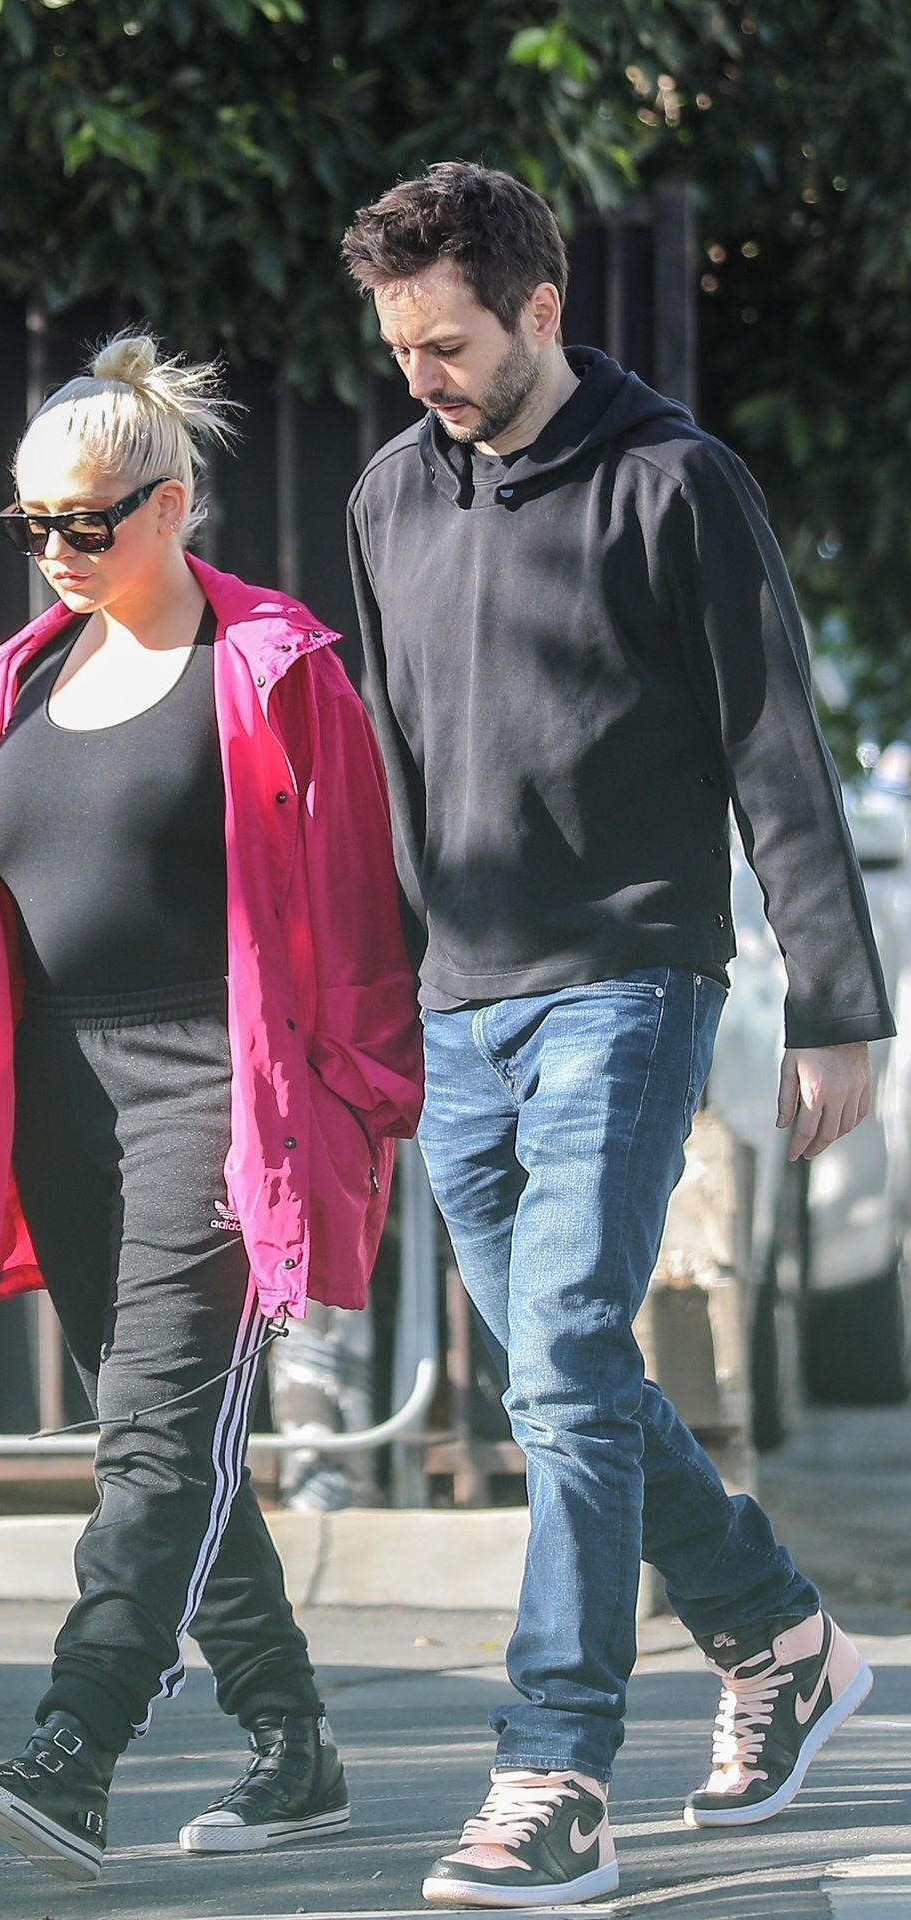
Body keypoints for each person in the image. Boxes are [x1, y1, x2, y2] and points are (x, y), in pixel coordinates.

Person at [0, 332, 422, 1885]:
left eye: (88, 521)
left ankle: (73, 1752)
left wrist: (361, 1110)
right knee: (166, 1438)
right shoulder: (1, 692)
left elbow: (360, 915)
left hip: (222, 1091)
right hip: (52, 1108)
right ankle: (294, 1739)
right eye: (35, 526)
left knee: (152, 1442)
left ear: (173, 502)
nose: (60, 552)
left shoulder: (274, 672)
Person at [341, 163, 890, 1909]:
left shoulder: (675, 482)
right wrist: (378, 1002)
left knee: (569, 1354)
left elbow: (776, 747)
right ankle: (778, 1637)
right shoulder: (388, 496)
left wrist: (837, 1005)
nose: (423, 374)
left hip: (630, 986)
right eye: (400, 347)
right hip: (457, 1010)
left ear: (540, 311)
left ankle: (554, 1772)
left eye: (447, 342)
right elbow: (393, 767)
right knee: (561, 1377)